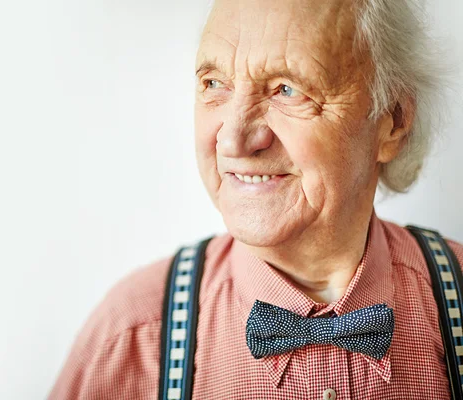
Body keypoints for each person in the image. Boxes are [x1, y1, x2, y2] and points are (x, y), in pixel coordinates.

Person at [49, 0, 462, 398]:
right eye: (214, 84)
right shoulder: (128, 337)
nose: (233, 139)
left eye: (286, 89)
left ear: (393, 120)